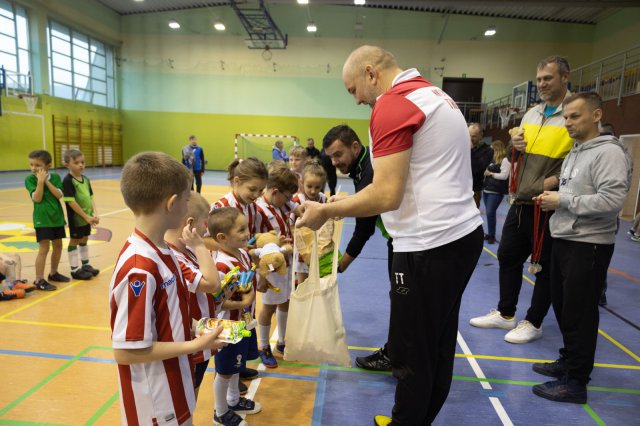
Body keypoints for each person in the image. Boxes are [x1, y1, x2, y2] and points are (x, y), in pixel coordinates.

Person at [298, 45, 484, 426]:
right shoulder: (436, 95)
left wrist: (326, 211)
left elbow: (386, 195)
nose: (357, 100)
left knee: (414, 351)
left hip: (428, 243)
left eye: (353, 90)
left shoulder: (392, 103)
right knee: (437, 343)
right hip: (459, 235)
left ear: (371, 73)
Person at [109, 151, 226, 425]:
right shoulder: (139, 267)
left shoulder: (165, 251)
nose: (188, 207)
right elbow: (125, 351)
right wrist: (196, 344)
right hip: (154, 402)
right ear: (172, 203)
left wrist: (198, 327)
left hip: (174, 387)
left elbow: (167, 315)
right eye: (187, 200)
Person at [532, 92, 632, 404]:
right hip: (565, 238)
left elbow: (612, 201)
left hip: (588, 244)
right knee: (564, 307)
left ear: (597, 115)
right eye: (566, 117)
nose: (568, 123)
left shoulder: (609, 153)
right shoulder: (577, 150)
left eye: (575, 116)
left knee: (580, 313)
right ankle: (569, 359)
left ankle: (576, 382)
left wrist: (561, 200)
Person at [470, 55, 575, 344]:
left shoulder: (574, 112)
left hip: (548, 204)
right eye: (538, 79)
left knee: (544, 266)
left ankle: (534, 321)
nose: (541, 84)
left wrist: (554, 183)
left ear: (565, 77)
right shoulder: (531, 114)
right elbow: (519, 157)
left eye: (547, 78)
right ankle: (506, 315)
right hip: (520, 201)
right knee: (507, 256)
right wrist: (515, 148)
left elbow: (582, 157)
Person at [323, 124, 393, 372]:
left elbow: (364, 226)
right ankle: (397, 353)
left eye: (338, 154)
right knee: (399, 298)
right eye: (331, 156)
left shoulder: (369, 169)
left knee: (404, 300)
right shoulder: (361, 165)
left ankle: (397, 357)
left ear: (355, 147)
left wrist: (342, 265)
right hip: (397, 239)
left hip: (408, 241)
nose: (334, 162)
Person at [211, 157, 268, 383]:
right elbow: (206, 240)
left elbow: (251, 237)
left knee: (245, 320)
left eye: (260, 190)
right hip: (227, 273)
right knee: (229, 326)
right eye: (252, 189)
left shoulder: (251, 207)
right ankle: (226, 373)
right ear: (236, 181)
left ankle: (238, 364)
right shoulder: (221, 206)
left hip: (243, 267)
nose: (256, 194)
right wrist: (238, 246)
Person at [165, 191, 223, 397]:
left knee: (192, 394)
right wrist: (199, 246)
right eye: (205, 223)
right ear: (190, 224)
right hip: (190, 343)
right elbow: (212, 283)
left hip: (202, 336)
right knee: (187, 395)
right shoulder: (175, 257)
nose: (206, 230)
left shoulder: (187, 252)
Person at [210, 207, 262, 425]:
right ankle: (220, 412)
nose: (246, 233)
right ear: (222, 237)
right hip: (228, 325)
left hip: (243, 322)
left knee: (236, 366)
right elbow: (216, 301)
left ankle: (233, 400)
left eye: (246, 227)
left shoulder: (240, 252)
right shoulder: (221, 265)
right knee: (224, 371)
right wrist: (243, 302)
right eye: (241, 230)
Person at [254, 163, 301, 368]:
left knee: (285, 301)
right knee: (269, 306)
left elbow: (295, 206)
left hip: (286, 263)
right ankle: (264, 345)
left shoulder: (280, 204)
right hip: (271, 267)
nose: (289, 201)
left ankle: (282, 342)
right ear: (274, 192)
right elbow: (255, 244)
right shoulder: (259, 210)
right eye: (287, 196)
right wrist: (261, 275)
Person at [26, 150, 70, 291]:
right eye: (31, 164)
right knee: (44, 248)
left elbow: (58, 195)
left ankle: (53, 273)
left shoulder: (56, 177)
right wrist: (40, 181)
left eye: (37, 165)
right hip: (42, 219)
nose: (33, 168)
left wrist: (46, 181)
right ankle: (39, 279)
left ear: (48, 165)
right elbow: (37, 198)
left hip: (56, 218)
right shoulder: (30, 179)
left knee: (58, 245)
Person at [62, 149, 100, 281]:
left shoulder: (86, 179)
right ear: (67, 164)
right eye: (76, 162)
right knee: (75, 240)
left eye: (82, 162)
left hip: (87, 218)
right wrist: (85, 216)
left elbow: (91, 197)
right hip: (77, 219)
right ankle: (74, 270)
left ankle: (85, 265)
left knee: (84, 238)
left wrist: (95, 214)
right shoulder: (68, 181)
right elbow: (71, 202)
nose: (80, 165)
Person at [292, 160, 328, 284]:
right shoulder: (297, 200)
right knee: (302, 284)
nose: (313, 191)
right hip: (302, 248)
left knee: (317, 281)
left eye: (317, 187)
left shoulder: (323, 198)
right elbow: (291, 224)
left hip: (320, 246)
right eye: (309, 186)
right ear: (302, 183)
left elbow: (327, 220)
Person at [482, 140, 510, 244]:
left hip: (496, 191)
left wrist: (490, 174)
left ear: (497, 149)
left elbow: (504, 176)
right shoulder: (491, 159)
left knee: (490, 213)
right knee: (490, 214)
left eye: (492, 149)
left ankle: (492, 235)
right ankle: (490, 234)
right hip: (486, 190)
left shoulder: (505, 160)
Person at [469, 123, 494, 208]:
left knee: (471, 218)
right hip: (459, 188)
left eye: (473, 136)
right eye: (468, 135)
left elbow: (477, 168)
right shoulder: (463, 147)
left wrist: (471, 150)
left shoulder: (488, 150)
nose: (470, 139)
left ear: (481, 135)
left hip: (474, 189)